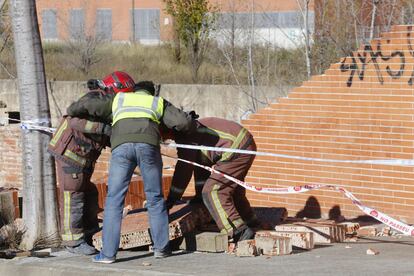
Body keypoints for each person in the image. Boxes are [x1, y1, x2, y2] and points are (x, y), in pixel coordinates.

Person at [66, 74, 196, 263]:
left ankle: (108, 254)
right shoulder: (157, 102)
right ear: (151, 92)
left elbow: (89, 104)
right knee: (155, 198)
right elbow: (183, 123)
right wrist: (191, 124)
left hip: (122, 148)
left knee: (114, 200)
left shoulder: (118, 99)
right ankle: (161, 249)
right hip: (148, 148)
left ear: (134, 90)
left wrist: (72, 108)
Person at [165, 117, 259, 243]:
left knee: (213, 192)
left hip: (238, 149)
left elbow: (184, 171)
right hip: (243, 144)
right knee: (233, 190)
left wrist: (171, 200)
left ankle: (238, 231)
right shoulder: (192, 128)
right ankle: (251, 221)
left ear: (169, 128)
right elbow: (202, 165)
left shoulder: (186, 136)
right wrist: (199, 198)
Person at [48, 81, 113, 255]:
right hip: (70, 155)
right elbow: (76, 122)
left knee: (90, 192)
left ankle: (90, 233)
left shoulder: (105, 105)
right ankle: (73, 242)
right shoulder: (97, 101)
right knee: (73, 195)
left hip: (82, 159)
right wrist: (104, 129)